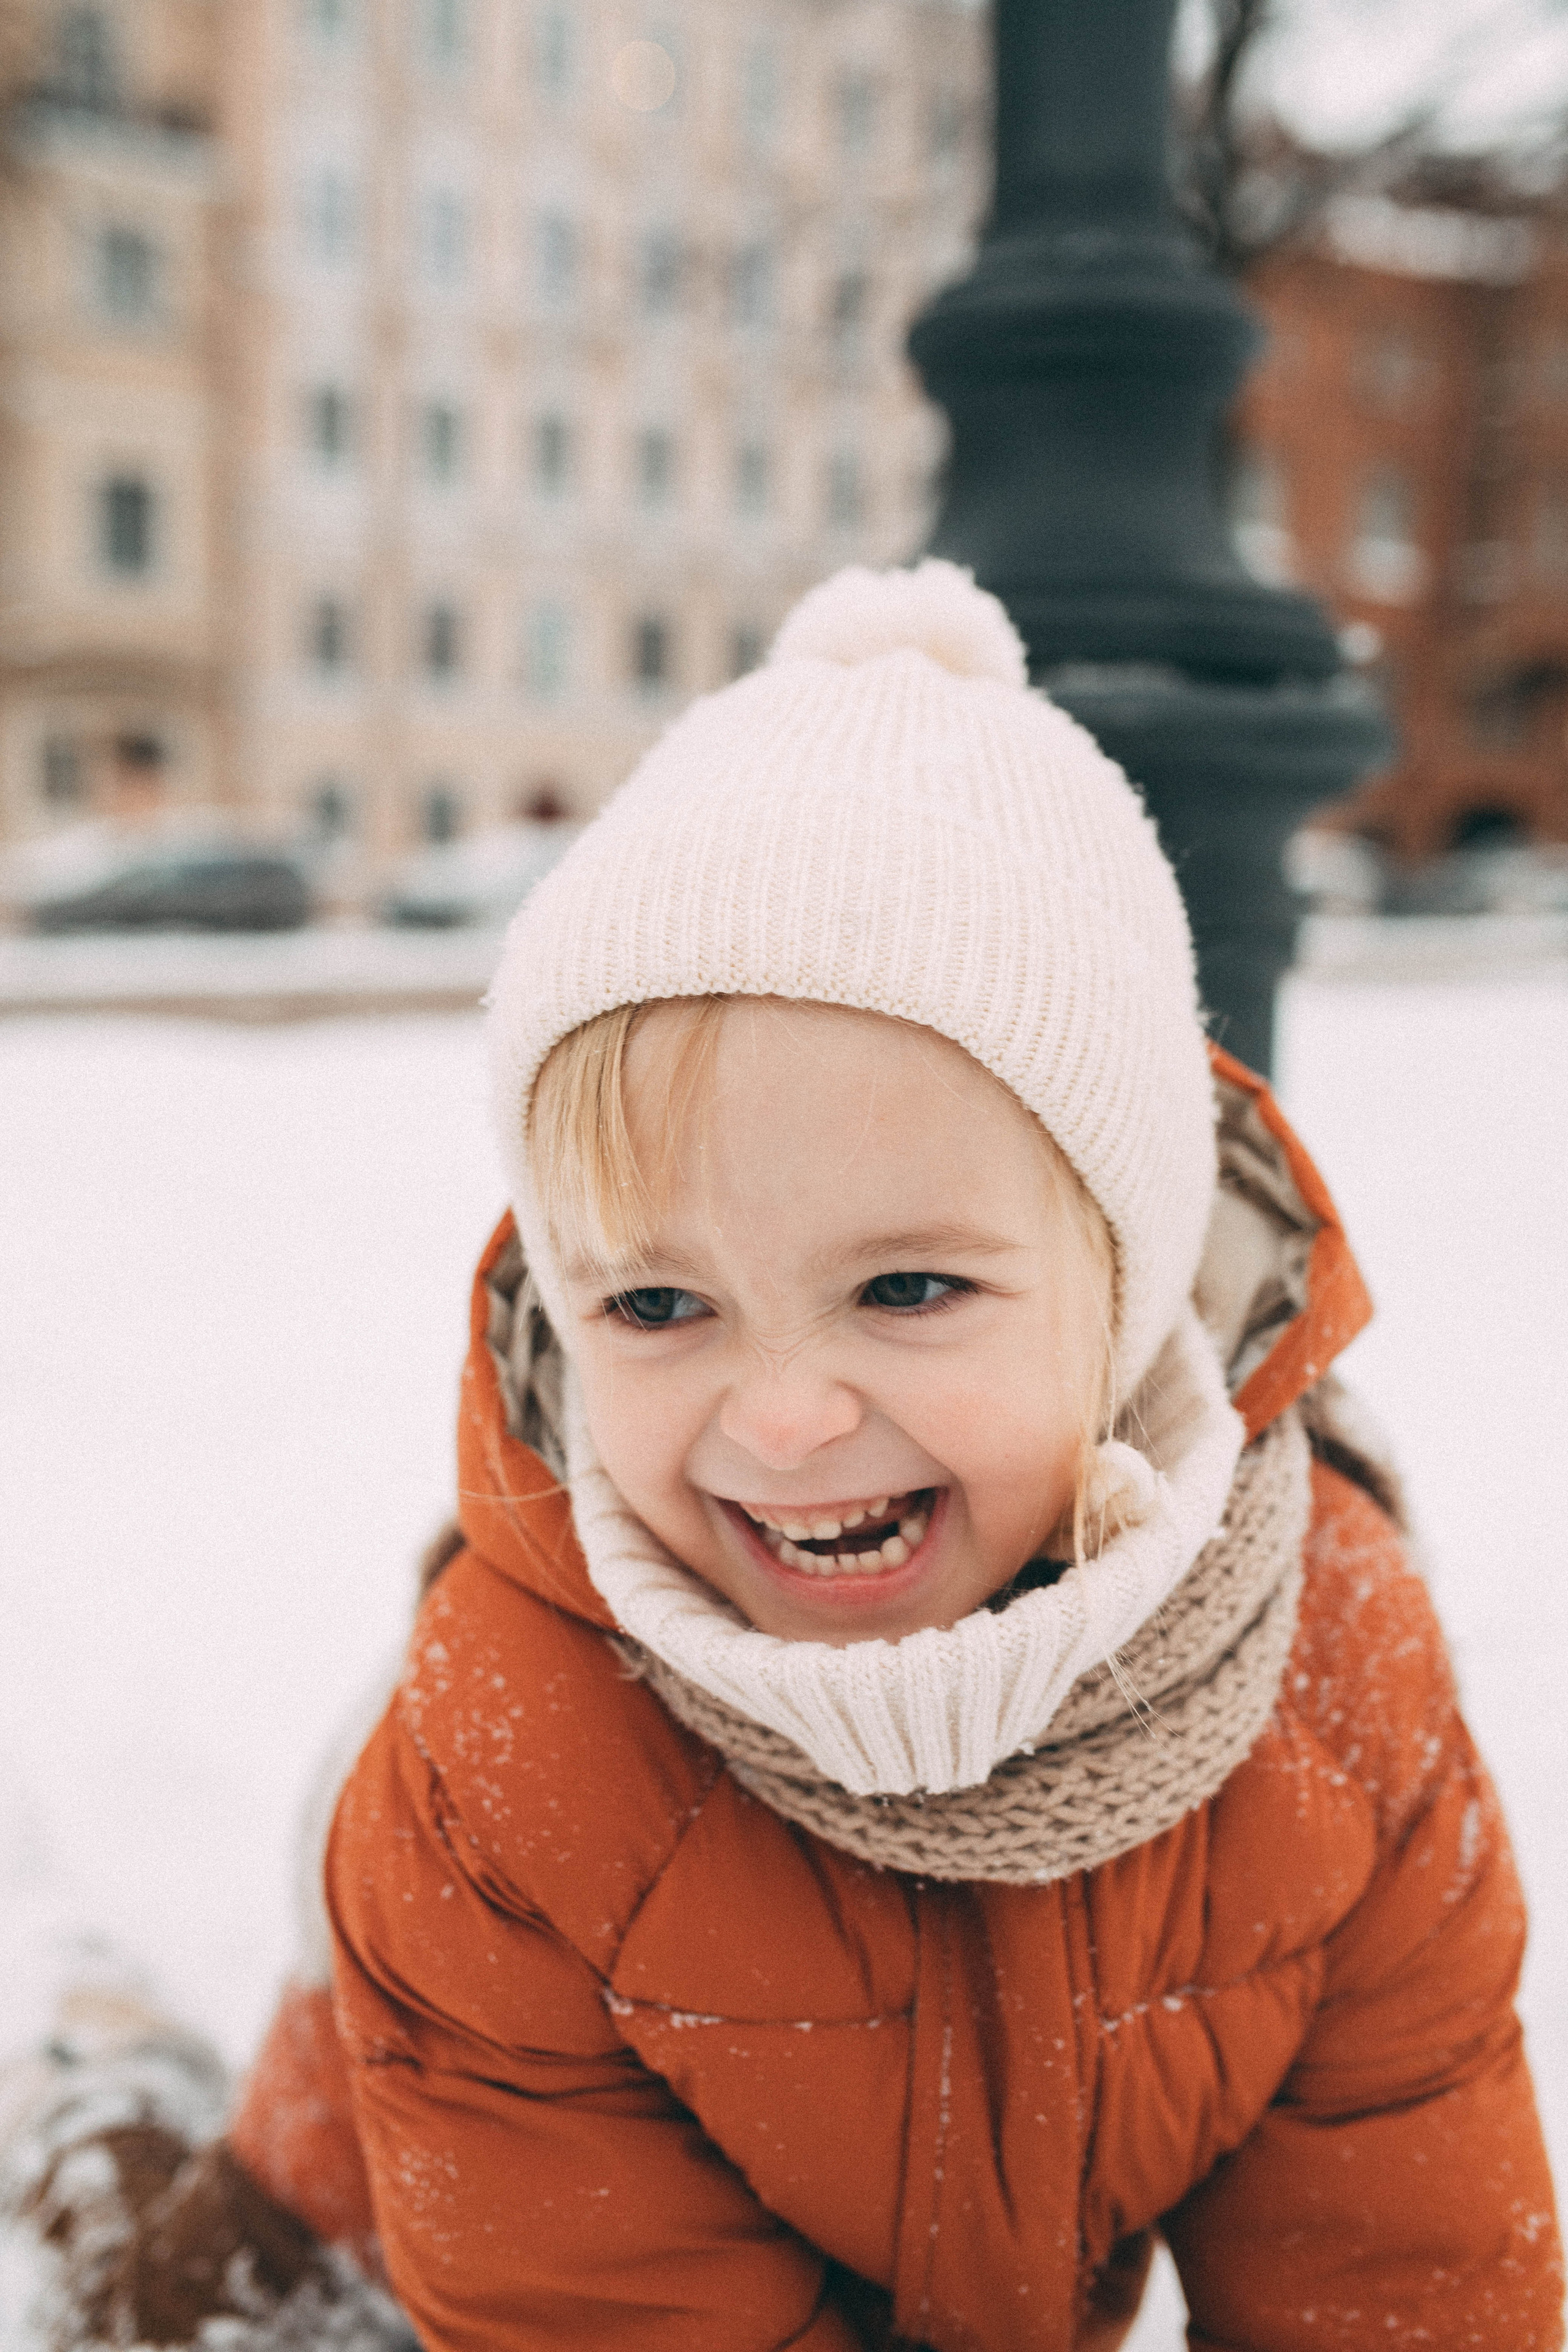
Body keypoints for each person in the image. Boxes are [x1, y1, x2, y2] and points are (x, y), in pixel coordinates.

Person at [4, 564, 1560, 2351]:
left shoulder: (1333, 1671)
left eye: (906, 1288)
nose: (784, 1419)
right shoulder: (507, 1760)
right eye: (662, 1308)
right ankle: (89, 2075)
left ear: (1128, 1287)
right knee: (141, 2290)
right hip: (373, 2258)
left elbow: (1405, 2262)